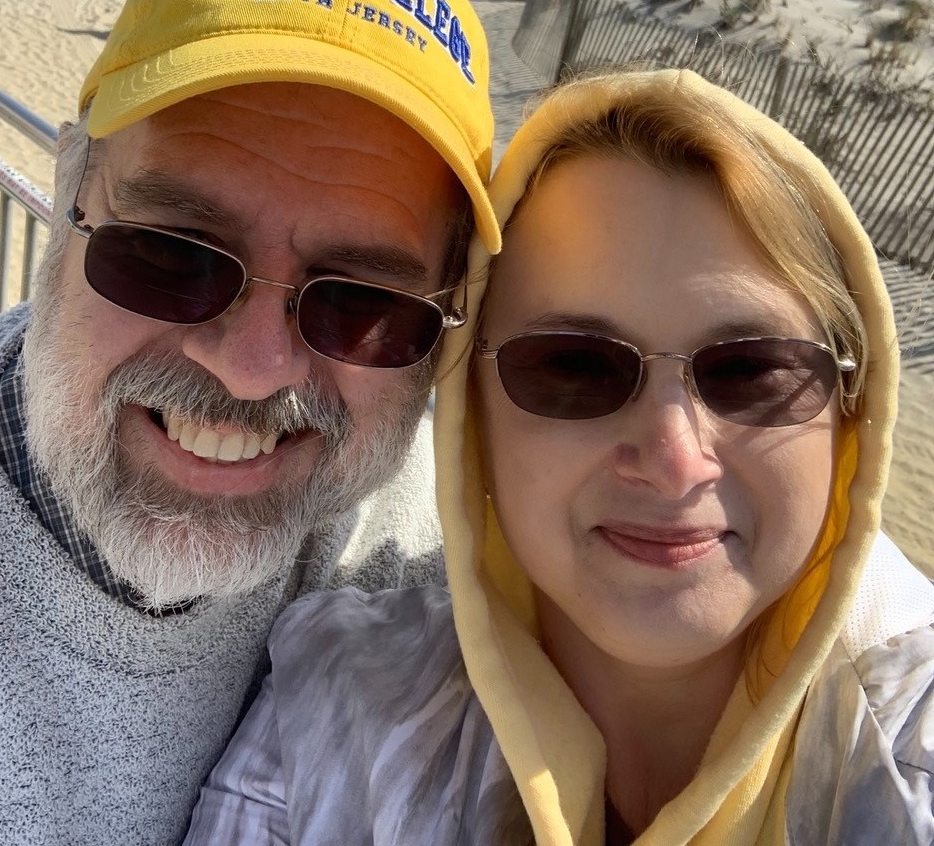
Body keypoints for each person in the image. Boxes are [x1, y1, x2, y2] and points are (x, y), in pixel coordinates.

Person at [186, 69, 934, 844]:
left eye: (750, 372)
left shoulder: (912, 759)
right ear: (473, 416)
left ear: (850, 408)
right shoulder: (334, 712)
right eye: (574, 367)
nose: (675, 460)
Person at [0, 0, 499, 845]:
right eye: (173, 254)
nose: (253, 368)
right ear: (66, 200)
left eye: (362, 302)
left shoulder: (435, 552)